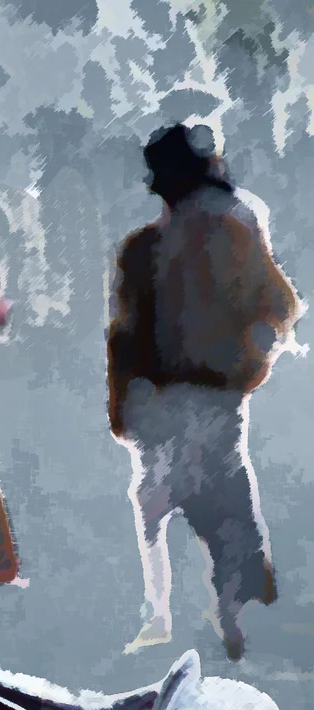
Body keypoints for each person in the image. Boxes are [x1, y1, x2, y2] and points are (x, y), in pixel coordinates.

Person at [107, 123, 304, 660]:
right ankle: (227, 620)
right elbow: (279, 307)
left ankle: (210, 621)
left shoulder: (218, 226)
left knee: (192, 503)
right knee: (206, 503)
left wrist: (246, 363)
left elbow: (276, 307)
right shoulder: (178, 237)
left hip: (198, 392)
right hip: (187, 394)